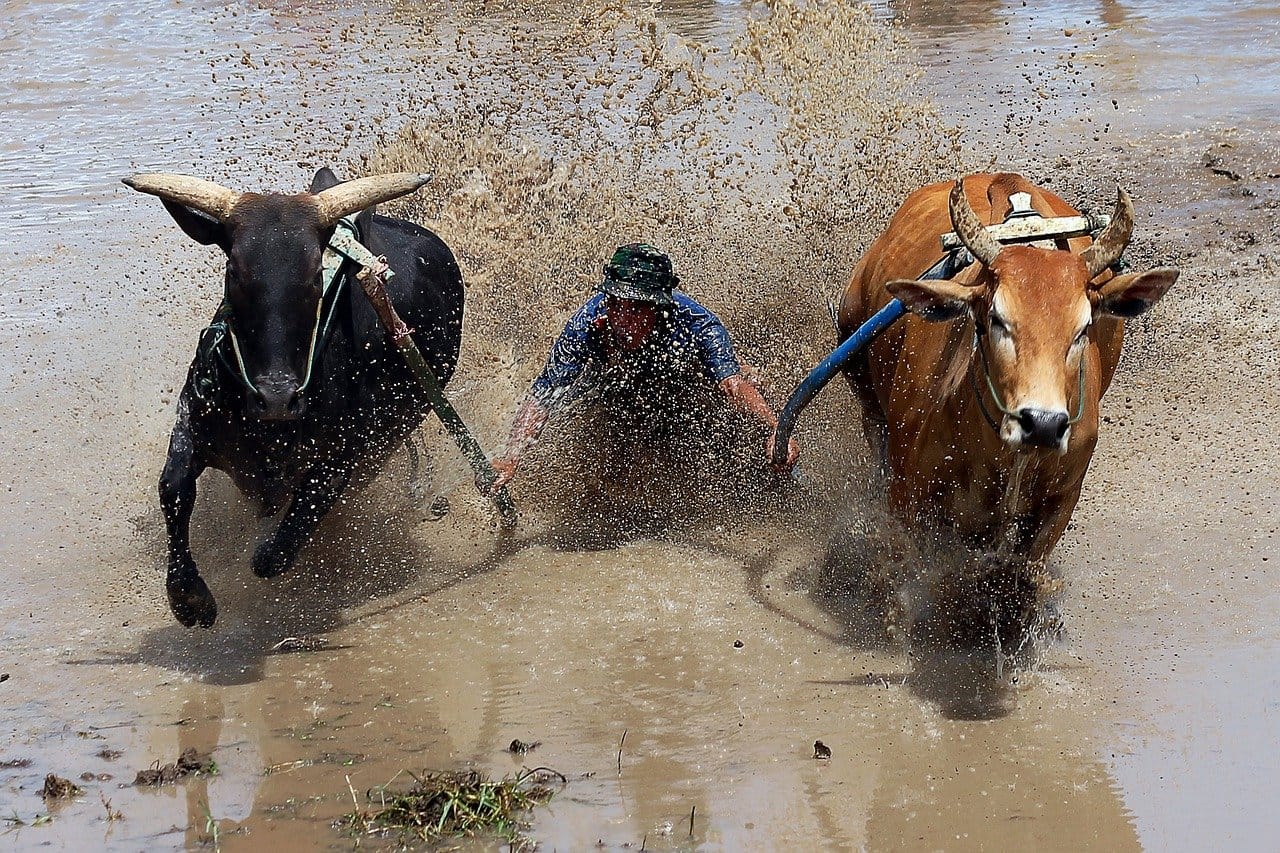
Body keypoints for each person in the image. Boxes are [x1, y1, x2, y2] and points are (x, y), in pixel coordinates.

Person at [480, 243, 799, 496]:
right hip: (611, 389)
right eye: (615, 303)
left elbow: (732, 384)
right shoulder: (585, 327)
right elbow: (542, 397)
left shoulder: (697, 325)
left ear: (660, 307)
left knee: (754, 382)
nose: (622, 318)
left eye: (636, 308)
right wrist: (511, 458)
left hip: (684, 384)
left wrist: (776, 428)